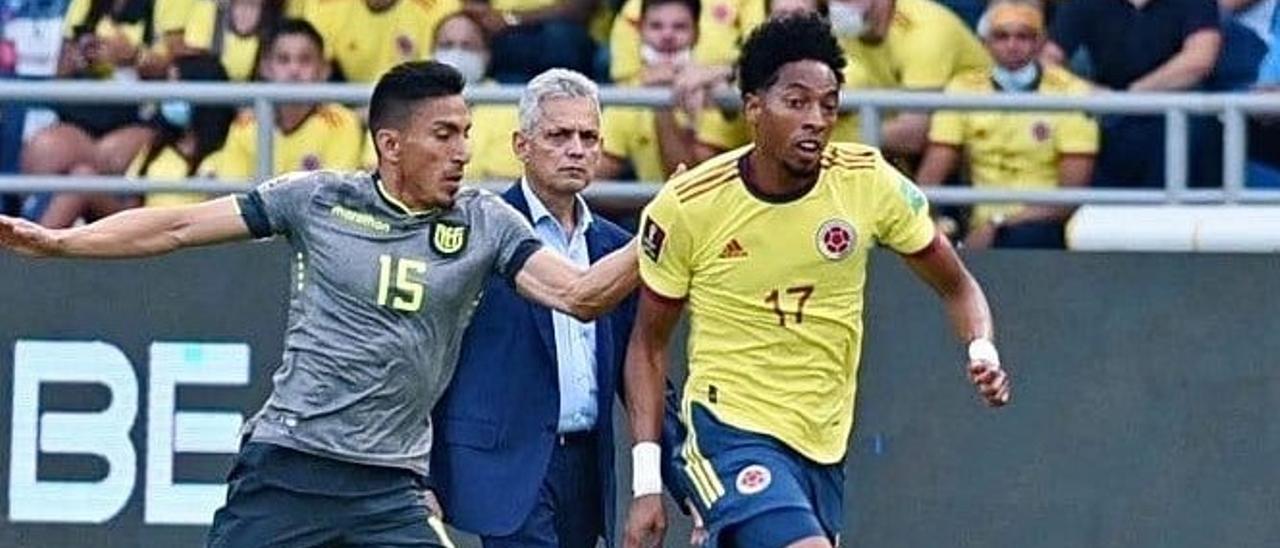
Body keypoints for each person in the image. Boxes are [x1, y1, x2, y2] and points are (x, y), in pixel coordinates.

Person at [0, 60, 640, 547]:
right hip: (288, 468)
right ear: (391, 145)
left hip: (391, 488)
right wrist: (61, 242)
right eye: (444, 135)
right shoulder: (318, 200)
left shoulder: (487, 224)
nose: (464, 152)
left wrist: (671, 225)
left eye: (467, 134)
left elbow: (581, 295)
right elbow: (176, 227)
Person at [621, 13, 1010, 548]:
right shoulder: (690, 206)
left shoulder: (866, 182)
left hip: (823, 444)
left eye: (829, 105)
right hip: (729, 431)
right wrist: (646, 484)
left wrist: (981, 349)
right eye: (797, 101)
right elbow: (648, 344)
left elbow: (957, 285)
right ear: (754, 107)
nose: (817, 119)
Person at [431, 68, 638, 548]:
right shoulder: (476, 232)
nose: (576, 148)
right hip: (506, 467)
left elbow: (639, 370)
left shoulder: (613, 246)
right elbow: (430, 354)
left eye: (588, 137)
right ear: (521, 146)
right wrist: (420, 468)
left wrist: (670, 481)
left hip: (587, 465)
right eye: (559, 135)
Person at [915, 0, 1097, 249]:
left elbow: (1070, 196)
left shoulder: (1071, 92)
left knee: (1026, 237)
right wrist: (921, 219)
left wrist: (999, 223)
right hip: (976, 224)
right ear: (986, 43)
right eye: (1001, 37)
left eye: (1023, 37)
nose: (1012, 46)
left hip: (1040, 224)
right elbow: (933, 171)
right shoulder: (964, 89)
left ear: (1040, 42)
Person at [1044, 0, 1220, 188]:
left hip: (1174, 110)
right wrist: (1086, 90)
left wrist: (1131, 95)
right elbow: (1045, 60)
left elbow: (1199, 61)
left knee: (1197, 128)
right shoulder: (1083, 3)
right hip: (1107, 113)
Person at [207, 18, 365, 179]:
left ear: (324, 69)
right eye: (283, 59)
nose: (294, 69)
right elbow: (233, 193)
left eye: (305, 60)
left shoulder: (342, 123)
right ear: (266, 68)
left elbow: (335, 198)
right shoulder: (245, 125)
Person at [598, 0, 701, 182]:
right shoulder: (628, 98)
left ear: (697, 35)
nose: (667, 35)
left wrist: (661, 105)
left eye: (679, 27)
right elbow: (592, 179)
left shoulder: (715, 95)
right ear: (640, 32)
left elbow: (689, 185)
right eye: (656, 26)